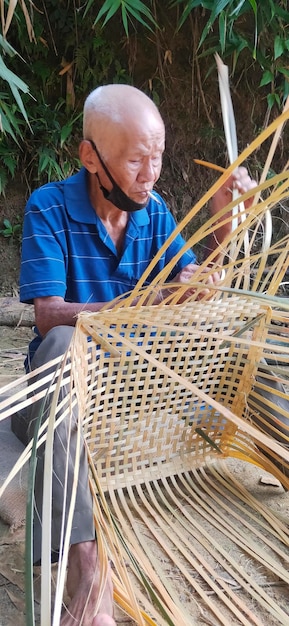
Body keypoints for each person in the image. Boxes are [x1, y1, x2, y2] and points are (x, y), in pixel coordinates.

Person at [14, 84, 257, 626]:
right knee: (57, 346)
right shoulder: (48, 208)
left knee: (244, 329)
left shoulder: (154, 212)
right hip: (67, 387)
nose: (151, 173)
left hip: (132, 387)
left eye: (159, 156)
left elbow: (192, 284)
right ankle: (89, 569)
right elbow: (49, 315)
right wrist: (141, 300)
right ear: (90, 157)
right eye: (135, 159)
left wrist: (223, 225)